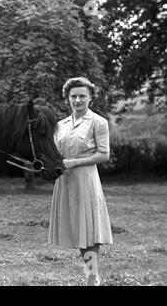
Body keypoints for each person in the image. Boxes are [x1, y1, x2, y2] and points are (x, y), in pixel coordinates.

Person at [48, 77, 113, 286]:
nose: (77, 100)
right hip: (65, 182)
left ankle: (92, 276)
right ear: (67, 99)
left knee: (90, 234)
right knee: (78, 232)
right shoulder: (60, 125)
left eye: (82, 96)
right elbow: (54, 154)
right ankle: (90, 273)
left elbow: (103, 155)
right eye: (73, 96)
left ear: (90, 98)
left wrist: (75, 162)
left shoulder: (98, 122)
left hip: (86, 181)